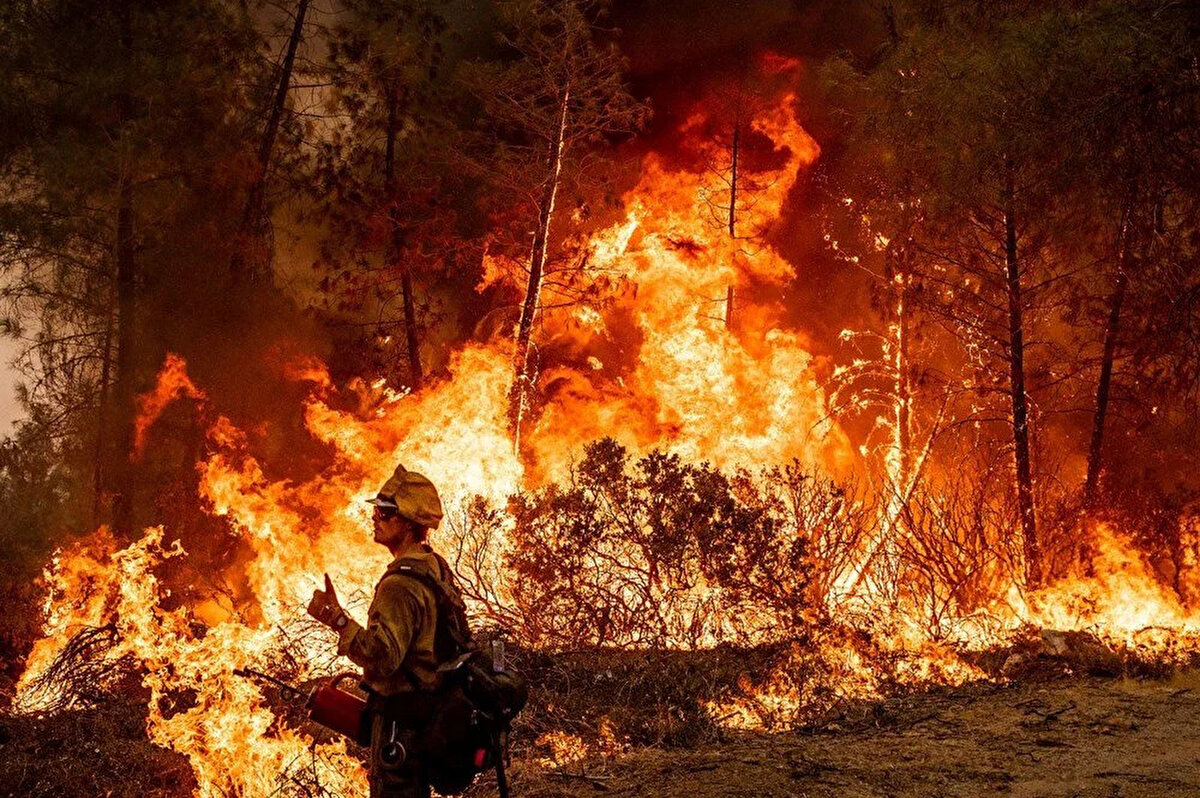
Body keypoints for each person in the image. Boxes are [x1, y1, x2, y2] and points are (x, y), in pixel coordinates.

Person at [306, 464, 465, 798]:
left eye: (384, 512)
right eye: (376, 510)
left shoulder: (400, 585)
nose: (374, 518)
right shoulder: (433, 566)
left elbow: (382, 658)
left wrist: (337, 620)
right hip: (426, 714)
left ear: (407, 522)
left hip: (402, 724)